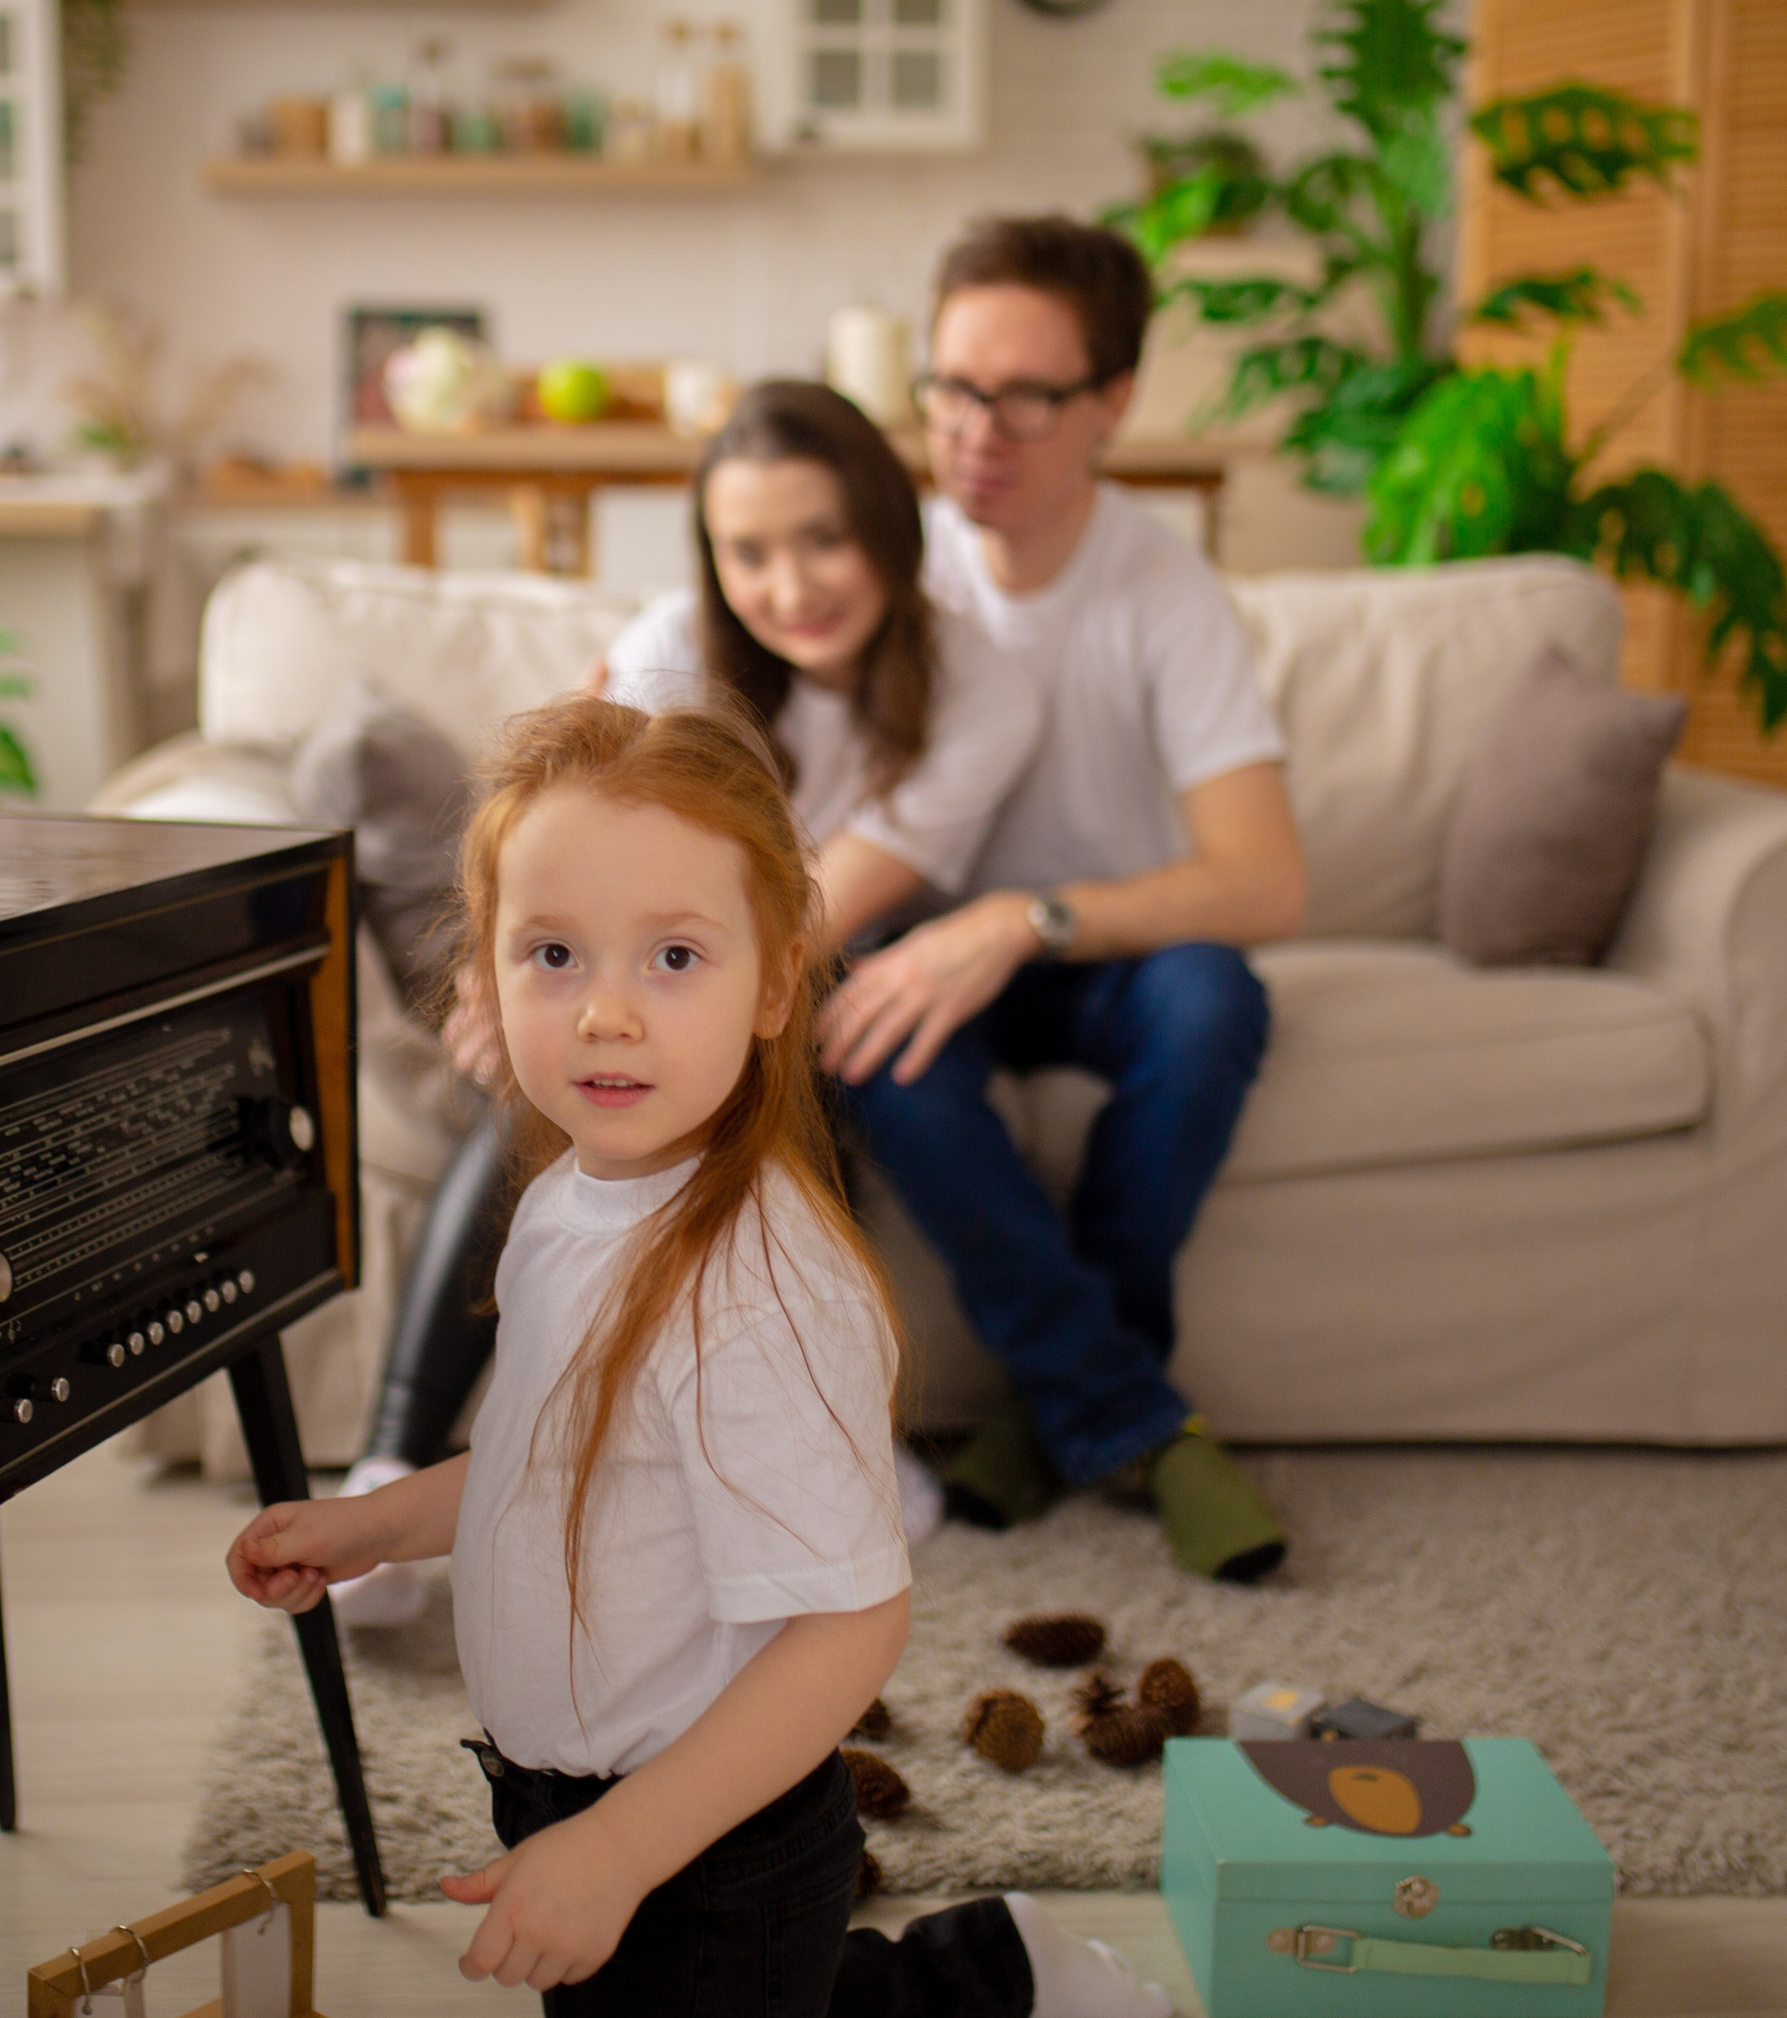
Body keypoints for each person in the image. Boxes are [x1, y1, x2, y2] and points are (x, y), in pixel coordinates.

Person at [228, 696, 1171, 2018]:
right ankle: (998, 1966)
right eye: (552, 953)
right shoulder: (570, 1203)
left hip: (706, 1832)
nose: (607, 1012)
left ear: (776, 981)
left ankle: (1006, 1981)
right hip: (586, 1808)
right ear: (483, 981)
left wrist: (620, 1849)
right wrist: (371, 1522)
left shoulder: (756, 1289)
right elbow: (542, 1463)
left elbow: (853, 1626)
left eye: (674, 957)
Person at [332, 380, 1044, 1627]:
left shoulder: (979, 685)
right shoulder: (672, 647)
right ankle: (392, 1456)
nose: (792, 584)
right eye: (749, 550)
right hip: (645, 955)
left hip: (807, 972)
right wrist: (506, 974)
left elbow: (804, 920)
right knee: (547, 1063)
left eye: (823, 537)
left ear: (889, 525)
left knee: (805, 1053)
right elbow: (550, 826)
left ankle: (834, 1447)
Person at [819, 215, 1305, 1581]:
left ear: (1112, 403)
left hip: (1089, 955)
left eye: (1026, 395)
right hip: (924, 958)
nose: (978, 430)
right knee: (874, 1034)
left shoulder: (1164, 588)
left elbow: (1264, 878)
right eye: (954, 387)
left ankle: (1067, 1411)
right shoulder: (880, 566)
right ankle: (1125, 1414)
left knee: (1214, 997)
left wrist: (1018, 921)